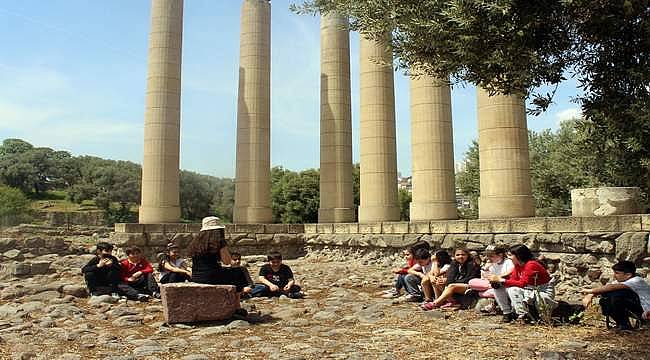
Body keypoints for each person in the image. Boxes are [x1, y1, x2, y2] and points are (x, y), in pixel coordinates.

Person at [488, 244, 557, 323]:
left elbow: (522, 283)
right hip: (529, 289)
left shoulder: (531, 264)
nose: (509, 258)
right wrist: (498, 283)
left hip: (542, 291)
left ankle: (535, 316)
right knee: (509, 289)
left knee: (515, 290)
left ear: (518, 255)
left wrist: (502, 280)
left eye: (511, 255)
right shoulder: (518, 266)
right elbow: (513, 280)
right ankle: (520, 315)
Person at [188, 216, 251, 294]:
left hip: (197, 277)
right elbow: (227, 261)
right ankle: (240, 294)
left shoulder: (195, 243)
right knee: (239, 271)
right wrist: (223, 245)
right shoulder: (218, 242)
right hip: (211, 277)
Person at [582, 260, 650, 330]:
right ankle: (622, 324)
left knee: (617, 295)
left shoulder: (637, 280)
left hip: (645, 309)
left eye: (617, 273)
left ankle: (630, 324)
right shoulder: (619, 282)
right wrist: (589, 296)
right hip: (636, 307)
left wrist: (589, 291)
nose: (614, 275)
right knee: (605, 298)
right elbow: (605, 289)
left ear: (628, 275)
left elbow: (611, 287)